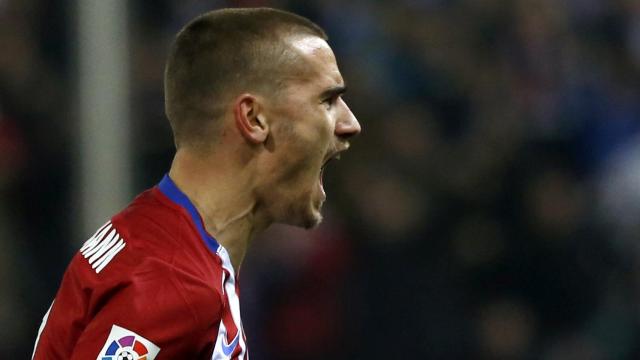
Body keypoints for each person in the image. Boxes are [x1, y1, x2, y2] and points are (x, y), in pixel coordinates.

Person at [32, 7, 360, 360]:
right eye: (327, 100)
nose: (350, 123)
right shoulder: (173, 286)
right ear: (254, 118)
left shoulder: (163, 236)